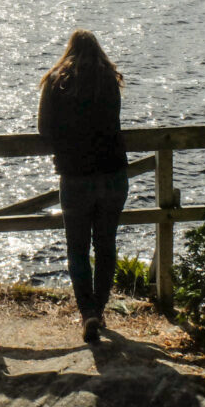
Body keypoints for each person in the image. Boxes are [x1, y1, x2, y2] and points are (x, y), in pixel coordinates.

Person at [38, 29, 128, 344]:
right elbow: (113, 121)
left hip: (75, 176)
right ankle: (99, 309)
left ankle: (87, 312)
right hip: (113, 174)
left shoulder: (54, 81)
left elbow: (43, 129)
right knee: (106, 245)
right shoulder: (109, 79)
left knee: (77, 248)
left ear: (69, 51)